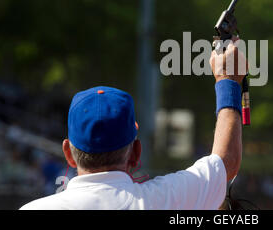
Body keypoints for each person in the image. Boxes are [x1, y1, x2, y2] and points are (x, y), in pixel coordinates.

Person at [20, 40, 246, 209]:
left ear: (68, 153)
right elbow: (226, 162)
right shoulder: (163, 200)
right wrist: (228, 81)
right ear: (136, 153)